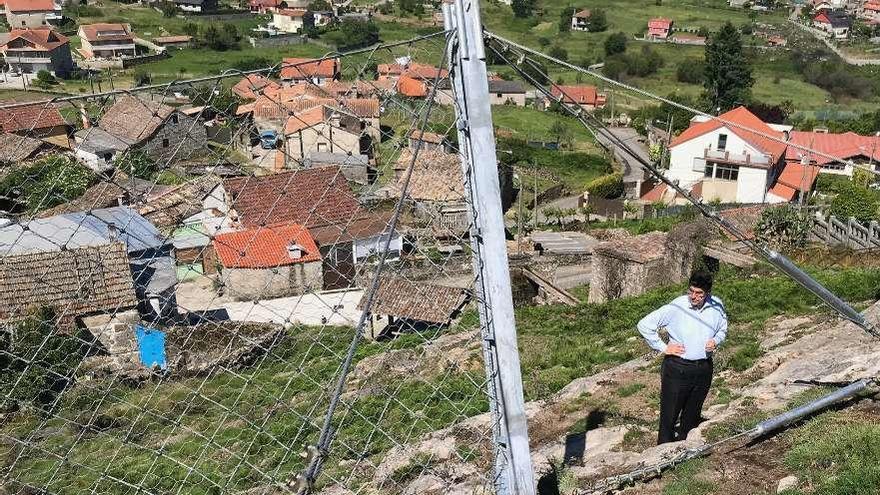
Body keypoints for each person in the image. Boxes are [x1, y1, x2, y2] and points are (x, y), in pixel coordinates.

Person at [637, 271, 728, 445]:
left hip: (704, 368)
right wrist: (664, 347)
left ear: (707, 293)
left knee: (692, 414)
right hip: (677, 368)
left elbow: (723, 328)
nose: (693, 296)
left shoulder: (717, 306)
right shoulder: (677, 307)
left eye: (699, 293)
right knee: (669, 416)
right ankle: (663, 454)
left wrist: (716, 341)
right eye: (691, 291)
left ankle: (685, 451)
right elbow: (644, 325)